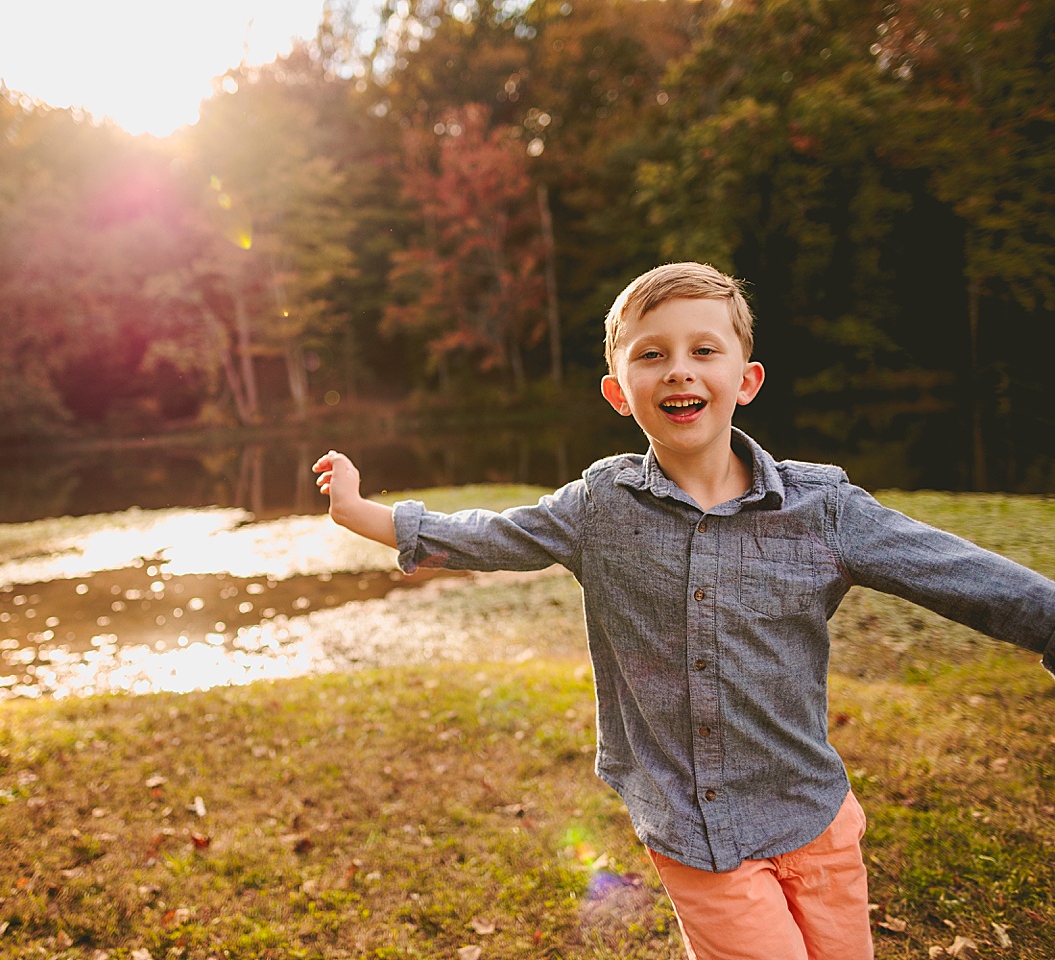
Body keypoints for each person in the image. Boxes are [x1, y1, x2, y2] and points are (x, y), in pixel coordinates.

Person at [312, 262, 1055, 960]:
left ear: (746, 378)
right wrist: (360, 512)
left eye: (705, 349)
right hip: (691, 829)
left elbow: (956, 572)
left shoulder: (821, 509)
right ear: (617, 390)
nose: (679, 368)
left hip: (812, 812)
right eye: (651, 355)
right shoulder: (598, 508)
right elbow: (489, 536)